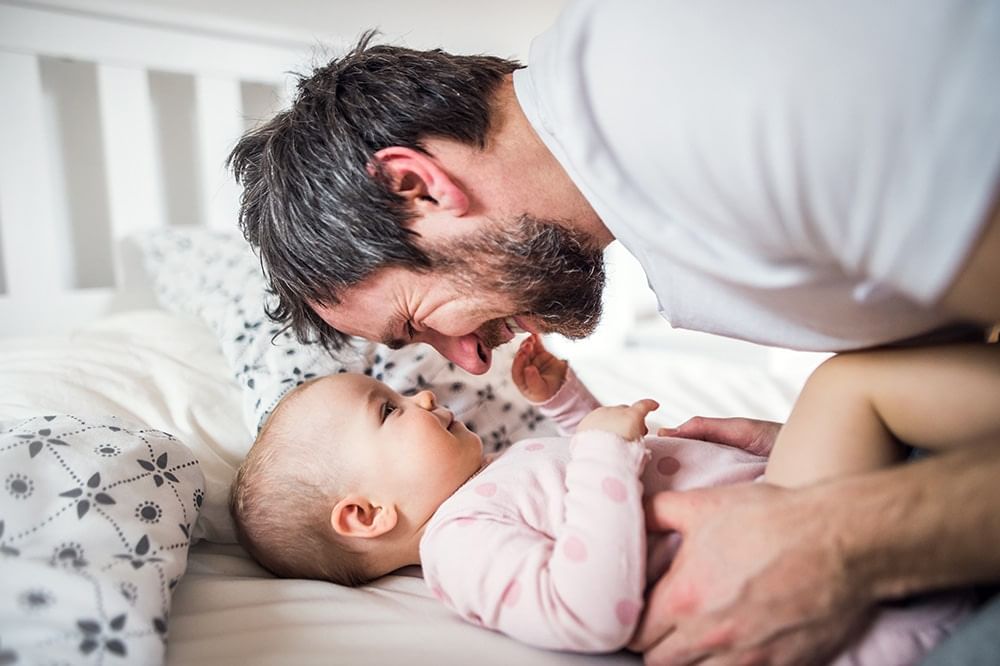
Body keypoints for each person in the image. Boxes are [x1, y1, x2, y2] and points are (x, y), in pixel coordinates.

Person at [227, 2, 1000, 662]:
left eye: (417, 322)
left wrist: (838, 537)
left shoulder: (724, 114)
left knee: (848, 386)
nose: (464, 362)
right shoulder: (640, 151)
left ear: (416, 187)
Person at [230, 335, 998, 662]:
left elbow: (579, 481)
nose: (424, 395)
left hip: (802, 511)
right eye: (388, 410)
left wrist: (568, 403)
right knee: (847, 384)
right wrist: (601, 444)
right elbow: (588, 606)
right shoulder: (457, 546)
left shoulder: (489, 487)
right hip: (797, 557)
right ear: (366, 516)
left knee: (866, 382)